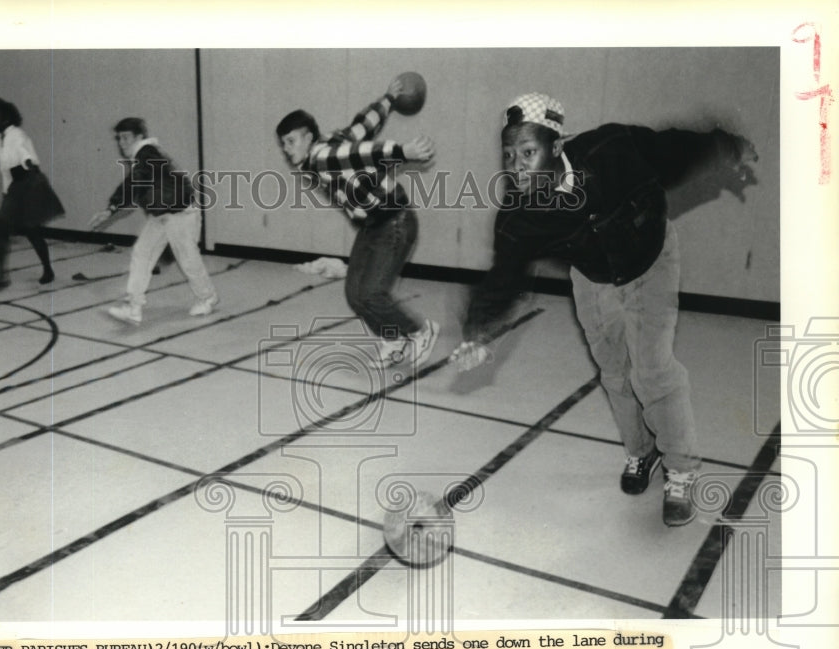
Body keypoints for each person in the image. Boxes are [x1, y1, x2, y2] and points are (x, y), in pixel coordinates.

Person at [453, 93, 757, 526]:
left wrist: (727, 147)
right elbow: (503, 277)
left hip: (651, 258)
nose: (516, 167)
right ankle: (641, 453)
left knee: (651, 369)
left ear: (556, 148)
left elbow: (674, 150)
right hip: (594, 278)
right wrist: (478, 332)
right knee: (615, 373)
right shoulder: (520, 214)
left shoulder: (610, 149)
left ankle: (681, 470)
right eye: (508, 156)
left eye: (527, 153)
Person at [276, 77, 439, 368]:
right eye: (284, 144)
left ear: (309, 138)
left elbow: (362, 152)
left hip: (395, 221)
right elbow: (362, 126)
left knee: (371, 293)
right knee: (355, 295)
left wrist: (403, 152)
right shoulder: (329, 142)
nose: (287, 149)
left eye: (291, 141)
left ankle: (420, 332)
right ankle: (393, 339)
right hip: (373, 225)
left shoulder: (322, 156)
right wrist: (388, 99)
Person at [89, 117, 217, 324]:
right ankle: (134, 307)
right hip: (162, 215)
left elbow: (134, 183)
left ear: (139, 137)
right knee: (142, 253)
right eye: (119, 138)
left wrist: (112, 208)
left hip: (180, 214)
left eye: (126, 137)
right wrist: (112, 208)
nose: (122, 142)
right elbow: (134, 183)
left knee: (187, 259)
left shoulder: (147, 154)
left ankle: (208, 297)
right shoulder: (144, 156)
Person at [0, 97, 64, 290]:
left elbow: (25, 155)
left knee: (32, 230)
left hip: (27, 184)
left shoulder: (17, 135)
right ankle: (1, 276)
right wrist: (6, 194)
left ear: (4, 117)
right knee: (2, 229)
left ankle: (47, 269)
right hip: (12, 189)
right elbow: (5, 170)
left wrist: (27, 162)